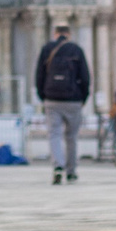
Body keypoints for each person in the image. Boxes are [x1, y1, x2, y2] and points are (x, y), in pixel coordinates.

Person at [33, 21, 90, 185]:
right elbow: (85, 78)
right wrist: (82, 98)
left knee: (54, 135)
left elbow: (39, 76)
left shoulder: (47, 49)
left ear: (55, 34)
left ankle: (58, 166)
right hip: (73, 100)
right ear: (69, 34)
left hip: (52, 100)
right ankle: (71, 172)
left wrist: (43, 97)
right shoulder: (76, 49)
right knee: (71, 137)